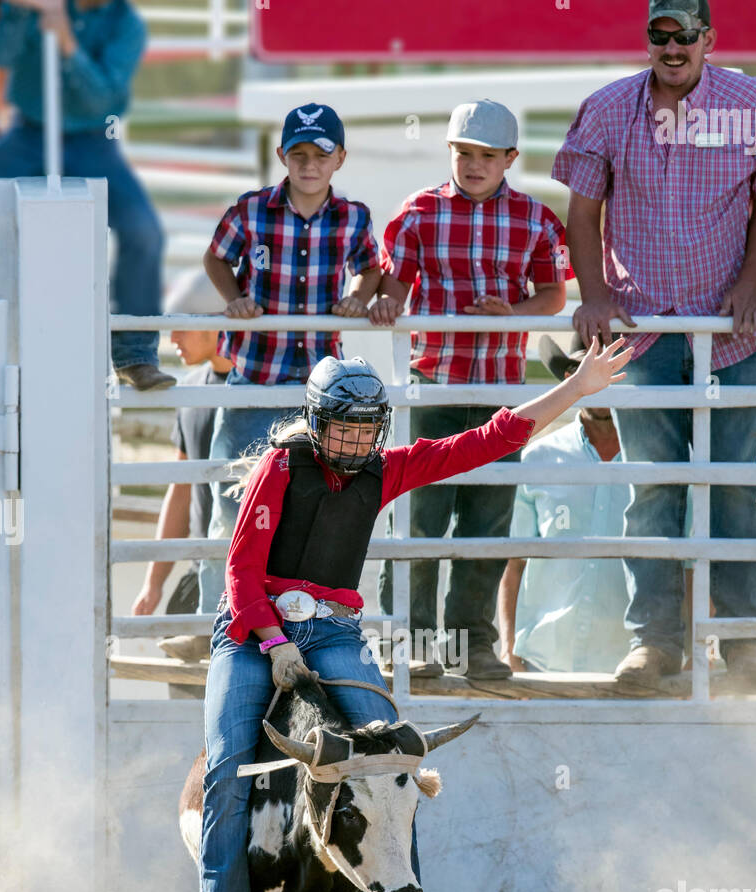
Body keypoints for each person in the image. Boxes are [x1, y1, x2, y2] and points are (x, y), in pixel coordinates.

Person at [190, 339, 632, 892]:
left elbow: (487, 438)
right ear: (316, 423)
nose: (354, 443)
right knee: (227, 772)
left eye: (366, 431)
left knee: (395, 758)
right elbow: (240, 571)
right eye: (343, 429)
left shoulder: (384, 470)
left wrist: (574, 389)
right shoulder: (280, 469)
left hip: (333, 632)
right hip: (252, 634)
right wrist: (275, 643)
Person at [553, 0, 756, 691]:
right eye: (657, 35)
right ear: (647, 41)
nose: (669, 47)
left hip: (728, 330)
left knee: (730, 490)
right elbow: (582, 206)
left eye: (681, 35)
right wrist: (594, 291)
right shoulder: (608, 108)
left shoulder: (750, 102)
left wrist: (750, 282)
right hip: (643, 327)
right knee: (653, 490)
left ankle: (743, 643)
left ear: (707, 40)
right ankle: (654, 643)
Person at [372, 99, 571, 679]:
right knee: (418, 520)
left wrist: (512, 313)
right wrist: (384, 301)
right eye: (465, 153)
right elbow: (393, 288)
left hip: (498, 393)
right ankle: (409, 643)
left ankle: (473, 646)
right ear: (450, 152)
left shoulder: (535, 219)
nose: (475, 165)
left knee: (486, 523)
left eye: (488, 155)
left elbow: (553, 296)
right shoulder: (418, 212)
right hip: (432, 385)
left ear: (510, 158)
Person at [199, 102, 382, 624]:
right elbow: (216, 256)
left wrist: (356, 297)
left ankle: (295, 619)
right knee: (232, 502)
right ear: (282, 155)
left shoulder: (353, 217)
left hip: (318, 394)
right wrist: (235, 298)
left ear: (340, 158)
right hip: (255, 375)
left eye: (320, 154)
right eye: (298, 154)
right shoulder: (252, 209)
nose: (308, 165)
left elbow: (370, 269)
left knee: (307, 507)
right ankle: (217, 617)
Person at [0, 0, 175, 390]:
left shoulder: (125, 24)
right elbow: (0, 55)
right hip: (28, 134)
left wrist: (66, 42)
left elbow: (102, 100)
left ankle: (135, 356)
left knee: (144, 232)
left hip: (94, 143)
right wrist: (19, 11)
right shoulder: (34, 6)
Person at [498, 334, 629, 675]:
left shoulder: (658, 463)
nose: (597, 381)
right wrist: (509, 649)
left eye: (609, 370)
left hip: (628, 662)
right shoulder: (538, 458)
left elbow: (689, 566)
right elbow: (514, 563)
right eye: (585, 370)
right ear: (571, 379)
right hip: (542, 659)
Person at [130, 269, 232, 689]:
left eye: (181, 327)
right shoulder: (189, 391)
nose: (171, 339)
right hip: (200, 572)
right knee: (185, 692)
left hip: (258, 577)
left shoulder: (270, 389)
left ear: (215, 323)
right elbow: (180, 490)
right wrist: (154, 582)